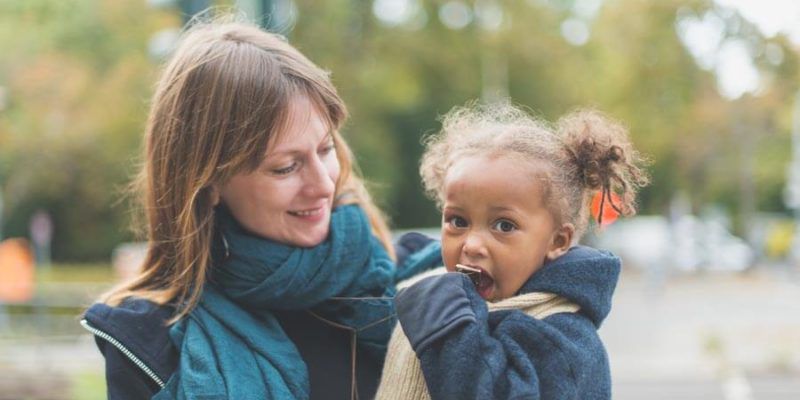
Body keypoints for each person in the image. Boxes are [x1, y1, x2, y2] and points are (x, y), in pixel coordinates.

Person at [81, 20, 437, 400]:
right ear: (208, 182)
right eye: (285, 167)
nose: (322, 185)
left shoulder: (419, 282)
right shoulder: (149, 339)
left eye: (325, 149)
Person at [375, 102, 649, 399]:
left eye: (503, 226)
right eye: (458, 221)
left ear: (558, 241)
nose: (472, 244)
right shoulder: (433, 291)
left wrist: (446, 329)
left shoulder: (565, 339)